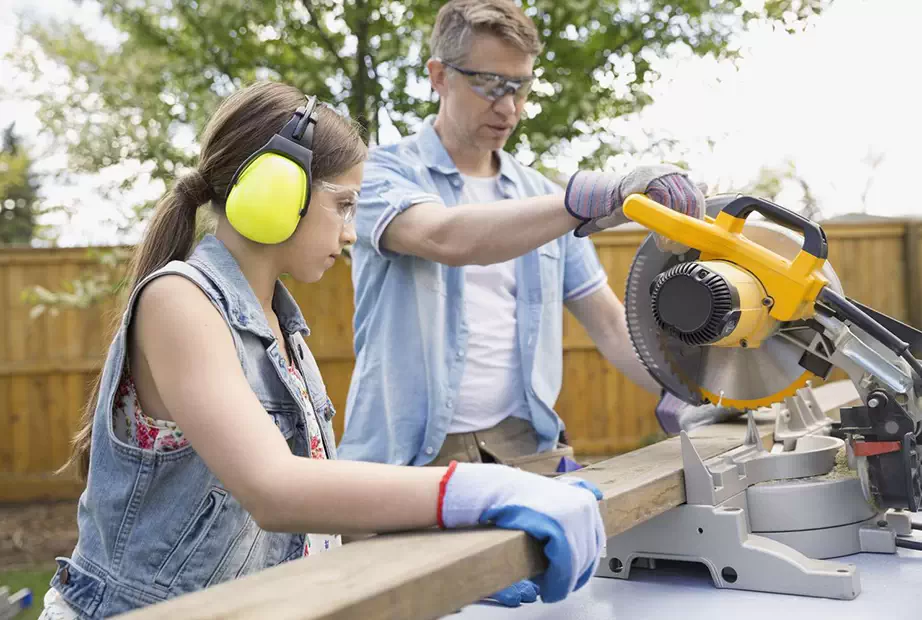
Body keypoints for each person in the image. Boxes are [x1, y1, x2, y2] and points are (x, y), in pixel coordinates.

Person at [38, 81, 606, 619]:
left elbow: (311, 528)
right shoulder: (180, 303)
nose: (352, 233)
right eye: (344, 205)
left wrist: (456, 552)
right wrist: (482, 490)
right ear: (275, 190)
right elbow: (275, 489)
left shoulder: (285, 332)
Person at [339, 0, 709, 476]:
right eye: (490, 84)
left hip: (524, 446)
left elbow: (612, 326)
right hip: (405, 457)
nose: (509, 106)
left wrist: (693, 392)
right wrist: (593, 198)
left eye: (521, 87)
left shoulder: (540, 197)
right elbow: (447, 238)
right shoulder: (381, 173)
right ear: (438, 76)